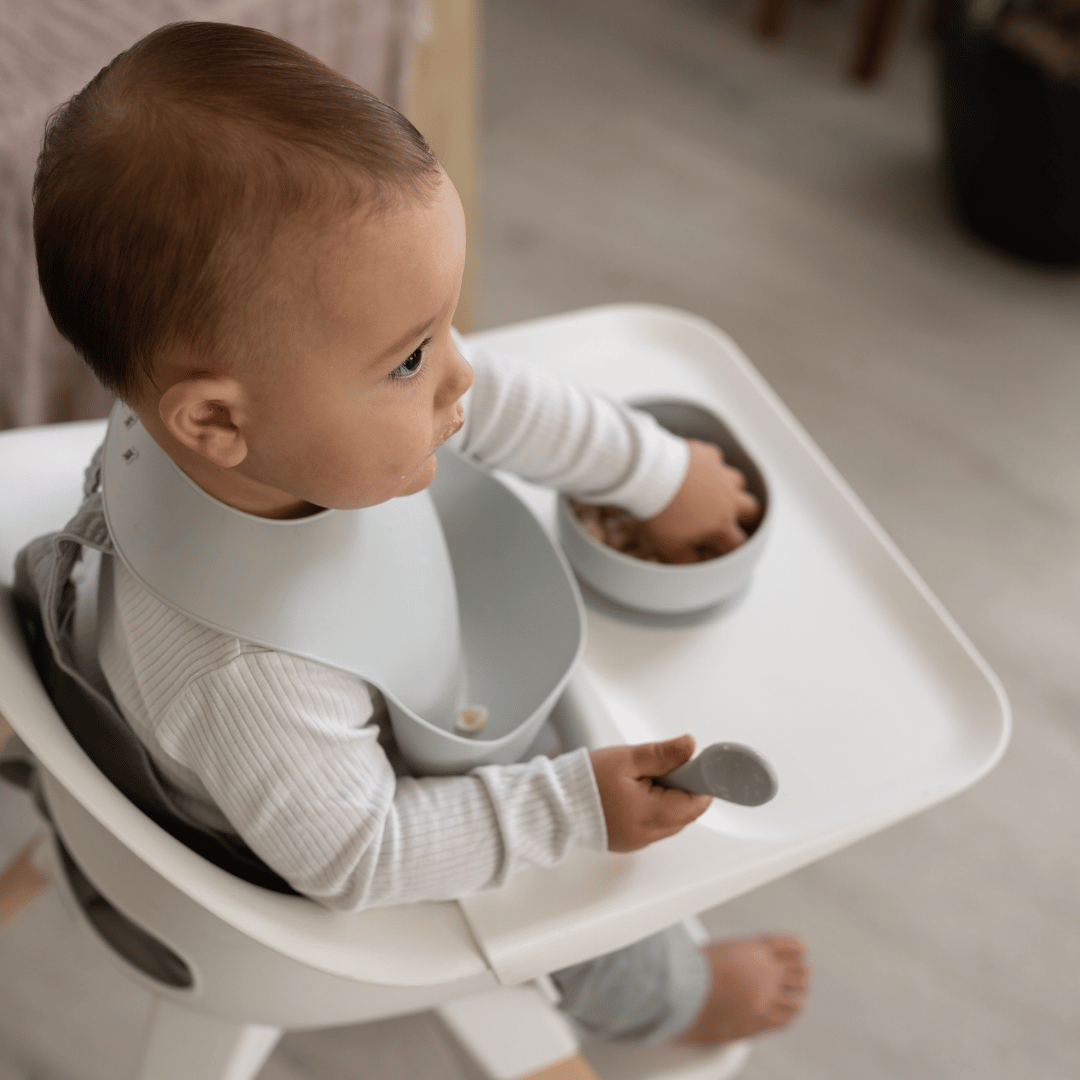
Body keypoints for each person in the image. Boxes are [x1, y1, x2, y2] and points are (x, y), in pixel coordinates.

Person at [29, 21, 809, 1050]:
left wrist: (653, 472)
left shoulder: (224, 421)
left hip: (345, 725)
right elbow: (362, 856)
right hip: (320, 858)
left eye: (438, 327)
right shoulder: (252, 677)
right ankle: (666, 998)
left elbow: (485, 395)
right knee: (577, 890)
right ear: (216, 421)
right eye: (410, 357)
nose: (458, 374)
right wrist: (572, 811)